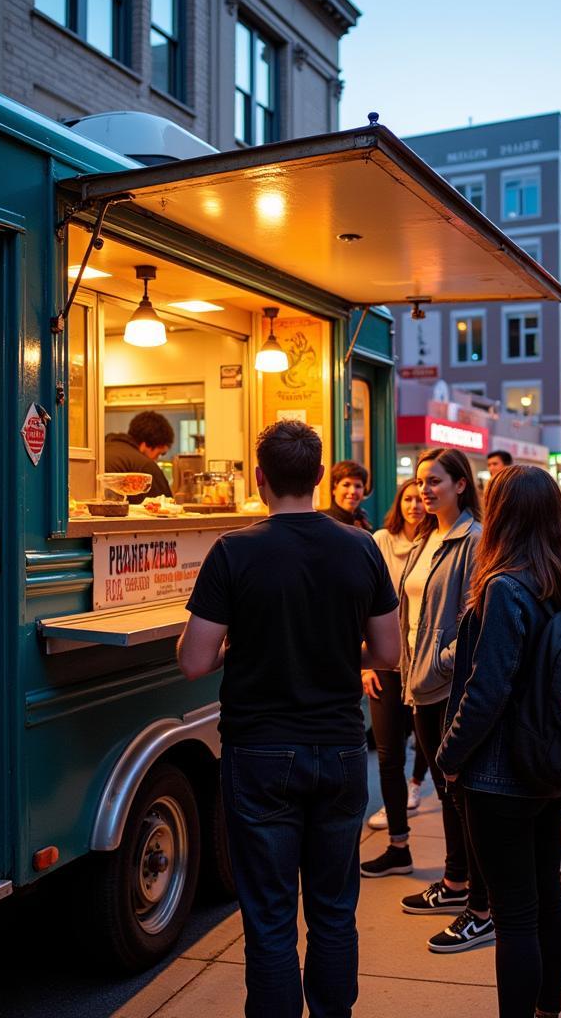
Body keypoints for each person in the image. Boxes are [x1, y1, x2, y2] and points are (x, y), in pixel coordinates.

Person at [177, 420, 401, 1018]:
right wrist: (333, 652)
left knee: (270, 915)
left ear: (259, 480)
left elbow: (195, 661)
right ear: (321, 476)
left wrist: (245, 646)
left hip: (259, 752)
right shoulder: (361, 547)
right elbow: (388, 653)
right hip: (340, 749)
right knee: (333, 909)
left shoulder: (234, 549)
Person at [437, 465, 561, 1018]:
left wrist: (449, 756)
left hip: (501, 773)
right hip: (551, 763)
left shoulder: (506, 586)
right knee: (546, 896)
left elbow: (487, 690)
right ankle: (547, 1010)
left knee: (514, 914)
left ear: (501, 514)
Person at [396, 447, 491, 953]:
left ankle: (483, 904)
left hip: (449, 685)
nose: (424, 489)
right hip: (420, 683)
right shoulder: (426, 539)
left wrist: (440, 661)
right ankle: (456, 884)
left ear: (460, 484)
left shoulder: (472, 541)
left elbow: (478, 618)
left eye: (434, 481)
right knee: (445, 787)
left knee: (461, 791)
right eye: (420, 481)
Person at [360, 479, 430, 874]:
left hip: (426, 667)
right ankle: (398, 845)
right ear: (398, 503)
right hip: (385, 664)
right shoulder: (380, 540)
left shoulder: (437, 542)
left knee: (432, 750)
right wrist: (366, 663)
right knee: (387, 756)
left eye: (421, 499)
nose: (415, 505)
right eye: (408, 498)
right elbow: (365, 602)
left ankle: (461, 866)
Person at [104, 410, 174, 501]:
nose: (156, 459)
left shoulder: (102, 449)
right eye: (159, 453)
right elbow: (167, 507)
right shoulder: (145, 466)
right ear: (145, 445)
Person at [323, 459, 372, 530]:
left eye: (358, 486)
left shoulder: (363, 519)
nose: (353, 491)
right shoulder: (325, 521)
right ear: (334, 489)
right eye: (346, 485)